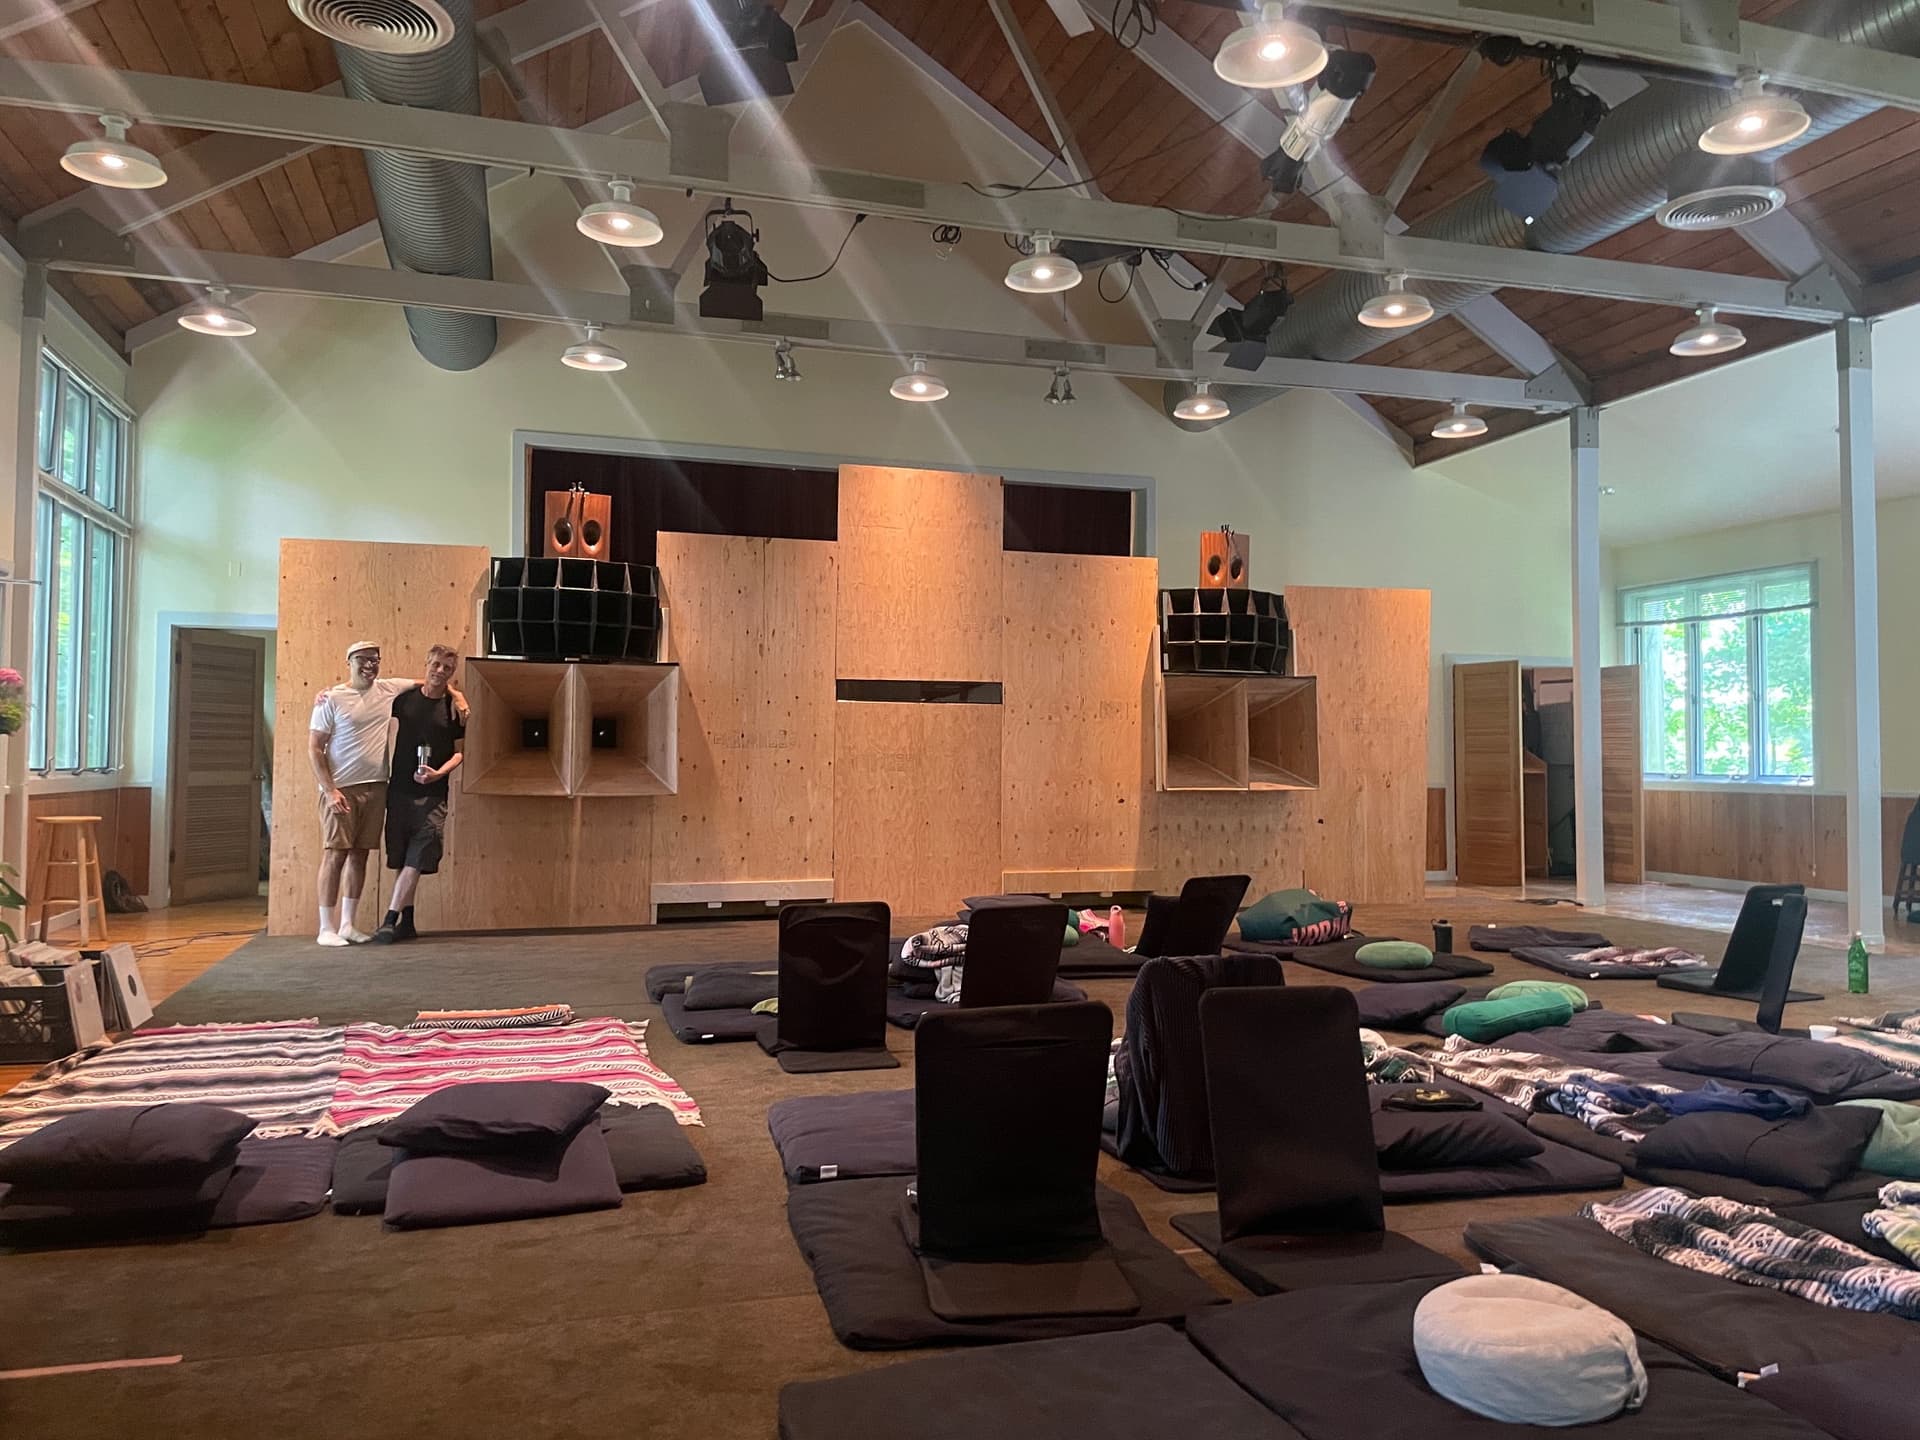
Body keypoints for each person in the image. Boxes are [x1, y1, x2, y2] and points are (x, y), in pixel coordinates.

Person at [307, 641, 465, 947]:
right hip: (344, 787)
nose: (369, 665)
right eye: (362, 659)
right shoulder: (332, 698)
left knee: (360, 855)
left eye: (374, 659)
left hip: (378, 786)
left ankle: (348, 925)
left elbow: (432, 683)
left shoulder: (389, 690)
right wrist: (329, 790)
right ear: (349, 661)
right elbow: (314, 747)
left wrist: (456, 694)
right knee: (335, 853)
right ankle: (326, 927)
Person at [371, 644, 465, 945]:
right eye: (436, 664)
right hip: (399, 789)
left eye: (447, 668)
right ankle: (408, 922)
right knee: (401, 858)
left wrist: (439, 773)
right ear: (427, 663)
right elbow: (370, 697)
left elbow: (460, 753)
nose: (440, 671)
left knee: (418, 857)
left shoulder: (454, 709)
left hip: (433, 796)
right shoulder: (404, 700)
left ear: (452, 672)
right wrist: (328, 695)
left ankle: (389, 919)